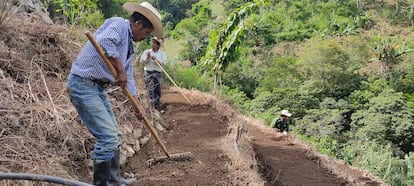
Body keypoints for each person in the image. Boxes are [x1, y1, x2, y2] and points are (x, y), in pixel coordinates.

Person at [66, 2, 162, 185]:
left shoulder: (129, 47)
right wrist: (120, 71)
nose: (144, 38)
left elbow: (129, 79)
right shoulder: (119, 24)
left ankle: (114, 179)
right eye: (147, 33)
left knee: (115, 135)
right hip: (82, 84)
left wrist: (138, 105)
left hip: (96, 87)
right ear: (138, 24)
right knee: (108, 137)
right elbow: (105, 42)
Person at [139, 37, 167, 109]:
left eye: (154, 43)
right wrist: (147, 57)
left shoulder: (162, 54)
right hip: (148, 72)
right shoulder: (146, 52)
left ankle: (157, 105)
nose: (152, 44)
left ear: (158, 45)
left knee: (157, 89)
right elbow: (141, 61)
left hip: (157, 73)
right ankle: (151, 107)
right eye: (152, 42)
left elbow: (164, 63)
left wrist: (156, 59)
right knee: (150, 89)